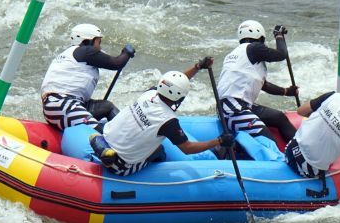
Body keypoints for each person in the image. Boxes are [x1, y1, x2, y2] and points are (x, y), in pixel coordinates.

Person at [90, 58, 235, 176]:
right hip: (122, 167)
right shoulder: (168, 120)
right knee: (160, 151)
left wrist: (197, 66)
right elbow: (187, 148)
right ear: (179, 97)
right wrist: (219, 141)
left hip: (107, 139)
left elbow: (174, 84)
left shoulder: (150, 94)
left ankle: (105, 149)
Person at [40, 23, 134, 132]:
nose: (100, 47)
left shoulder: (69, 53)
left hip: (54, 107)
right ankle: (127, 139)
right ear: (88, 41)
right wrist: (126, 52)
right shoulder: (86, 51)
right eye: (98, 42)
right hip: (64, 105)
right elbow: (117, 63)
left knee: (107, 107)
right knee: (106, 136)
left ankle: (129, 132)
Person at [217, 20, 298, 143]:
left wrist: (286, 91)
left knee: (279, 118)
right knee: (269, 142)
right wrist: (278, 35)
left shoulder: (236, 54)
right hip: (234, 110)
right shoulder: (254, 48)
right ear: (260, 37)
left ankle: (302, 148)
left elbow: (262, 85)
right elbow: (282, 54)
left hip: (235, 105)